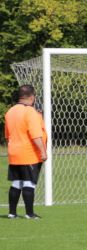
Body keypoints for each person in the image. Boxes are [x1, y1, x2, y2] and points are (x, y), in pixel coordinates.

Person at [4, 85, 47, 219]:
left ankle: (12, 213)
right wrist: (43, 152)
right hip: (28, 153)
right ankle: (29, 214)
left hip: (14, 153)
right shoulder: (30, 112)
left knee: (16, 182)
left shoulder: (10, 111)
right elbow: (35, 135)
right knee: (29, 183)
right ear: (32, 96)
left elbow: (7, 135)